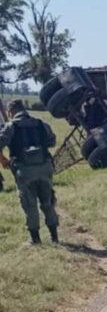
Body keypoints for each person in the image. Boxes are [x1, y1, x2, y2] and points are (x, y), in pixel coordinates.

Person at [0, 100, 58, 245]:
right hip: (45, 167)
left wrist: (3, 160)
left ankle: (35, 239)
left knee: (29, 203)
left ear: (11, 111)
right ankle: (54, 237)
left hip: (24, 170)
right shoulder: (41, 124)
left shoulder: (10, 127)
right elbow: (52, 142)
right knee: (48, 201)